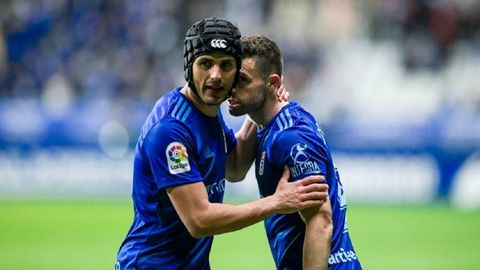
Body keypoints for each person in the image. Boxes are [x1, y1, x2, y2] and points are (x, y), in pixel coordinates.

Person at [115, 18, 329, 270]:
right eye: (205, 63)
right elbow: (199, 220)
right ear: (189, 67)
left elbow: (235, 168)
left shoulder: (209, 112)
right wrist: (276, 202)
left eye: (226, 65)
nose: (216, 76)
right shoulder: (171, 130)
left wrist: (259, 106)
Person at [228, 35, 362, 270]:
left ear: (272, 82)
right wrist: (254, 109)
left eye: (242, 80)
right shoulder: (267, 125)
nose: (232, 88)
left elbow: (320, 222)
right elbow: (235, 170)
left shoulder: (291, 137)